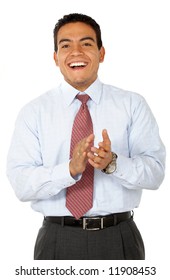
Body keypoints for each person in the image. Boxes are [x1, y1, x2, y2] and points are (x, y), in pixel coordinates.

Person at [7, 13, 165, 260]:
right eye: (66, 45)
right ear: (56, 57)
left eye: (87, 43)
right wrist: (69, 169)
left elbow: (155, 173)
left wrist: (113, 163)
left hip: (119, 237)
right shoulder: (34, 112)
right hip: (57, 239)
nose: (76, 52)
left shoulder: (132, 104)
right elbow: (21, 184)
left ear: (101, 53)